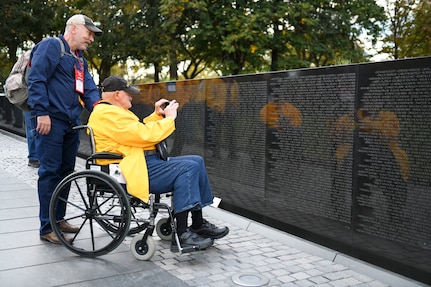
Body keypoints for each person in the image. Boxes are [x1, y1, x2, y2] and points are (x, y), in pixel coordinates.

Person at [87, 75, 229, 252]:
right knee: (188, 167)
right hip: (132, 166)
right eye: (128, 94)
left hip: (140, 160)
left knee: (197, 161)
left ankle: (198, 223)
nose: (132, 97)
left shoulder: (112, 112)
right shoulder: (107, 114)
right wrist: (169, 119)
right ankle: (182, 234)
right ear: (117, 94)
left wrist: (156, 115)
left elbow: (137, 130)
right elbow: (143, 136)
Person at [27, 14, 103, 244]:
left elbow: (89, 89)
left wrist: (102, 111)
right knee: (50, 173)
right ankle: (47, 227)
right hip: (51, 121)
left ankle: (58, 219)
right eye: (88, 33)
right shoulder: (52, 46)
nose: (91, 38)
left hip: (71, 123)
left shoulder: (80, 59)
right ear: (73, 28)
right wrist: (41, 112)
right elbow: (36, 79)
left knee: (66, 173)